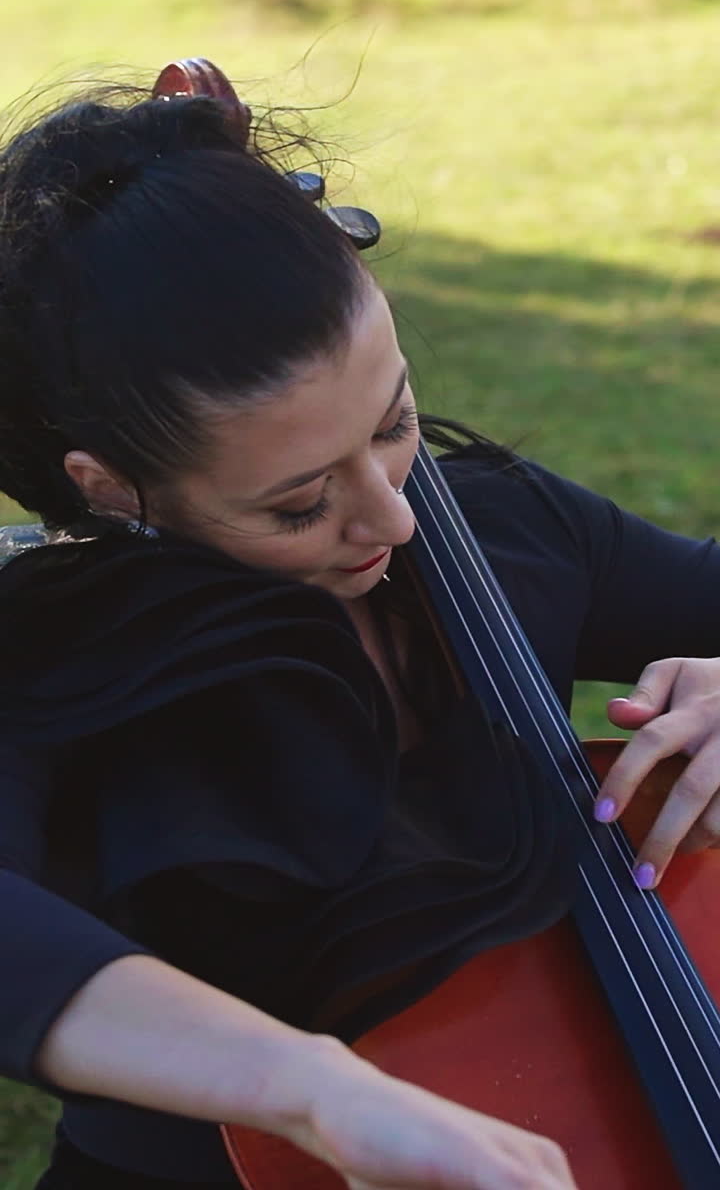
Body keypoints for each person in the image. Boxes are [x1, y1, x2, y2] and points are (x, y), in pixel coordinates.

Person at [0, 84, 719, 1190]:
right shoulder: (49, 653)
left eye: (393, 423)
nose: (396, 516)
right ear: (115, 488)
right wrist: (315, 1087)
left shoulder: (508, 527)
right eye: (297, 503)